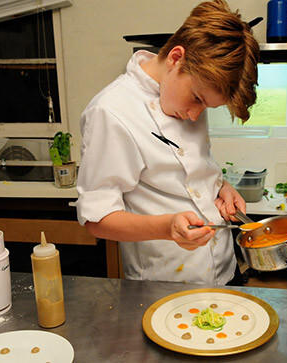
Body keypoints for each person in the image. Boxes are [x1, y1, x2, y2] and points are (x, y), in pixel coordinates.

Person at [76, 0, 259, 285]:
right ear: (176, 58)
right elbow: (97, 219)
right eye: (197, 99)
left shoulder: (185, 94)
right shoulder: (110, 112)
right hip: (165, 284)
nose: (196, 114)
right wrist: (167, 227)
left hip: (224, 268)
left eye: (207, 107)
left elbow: (190, 169)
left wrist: (221, 186)